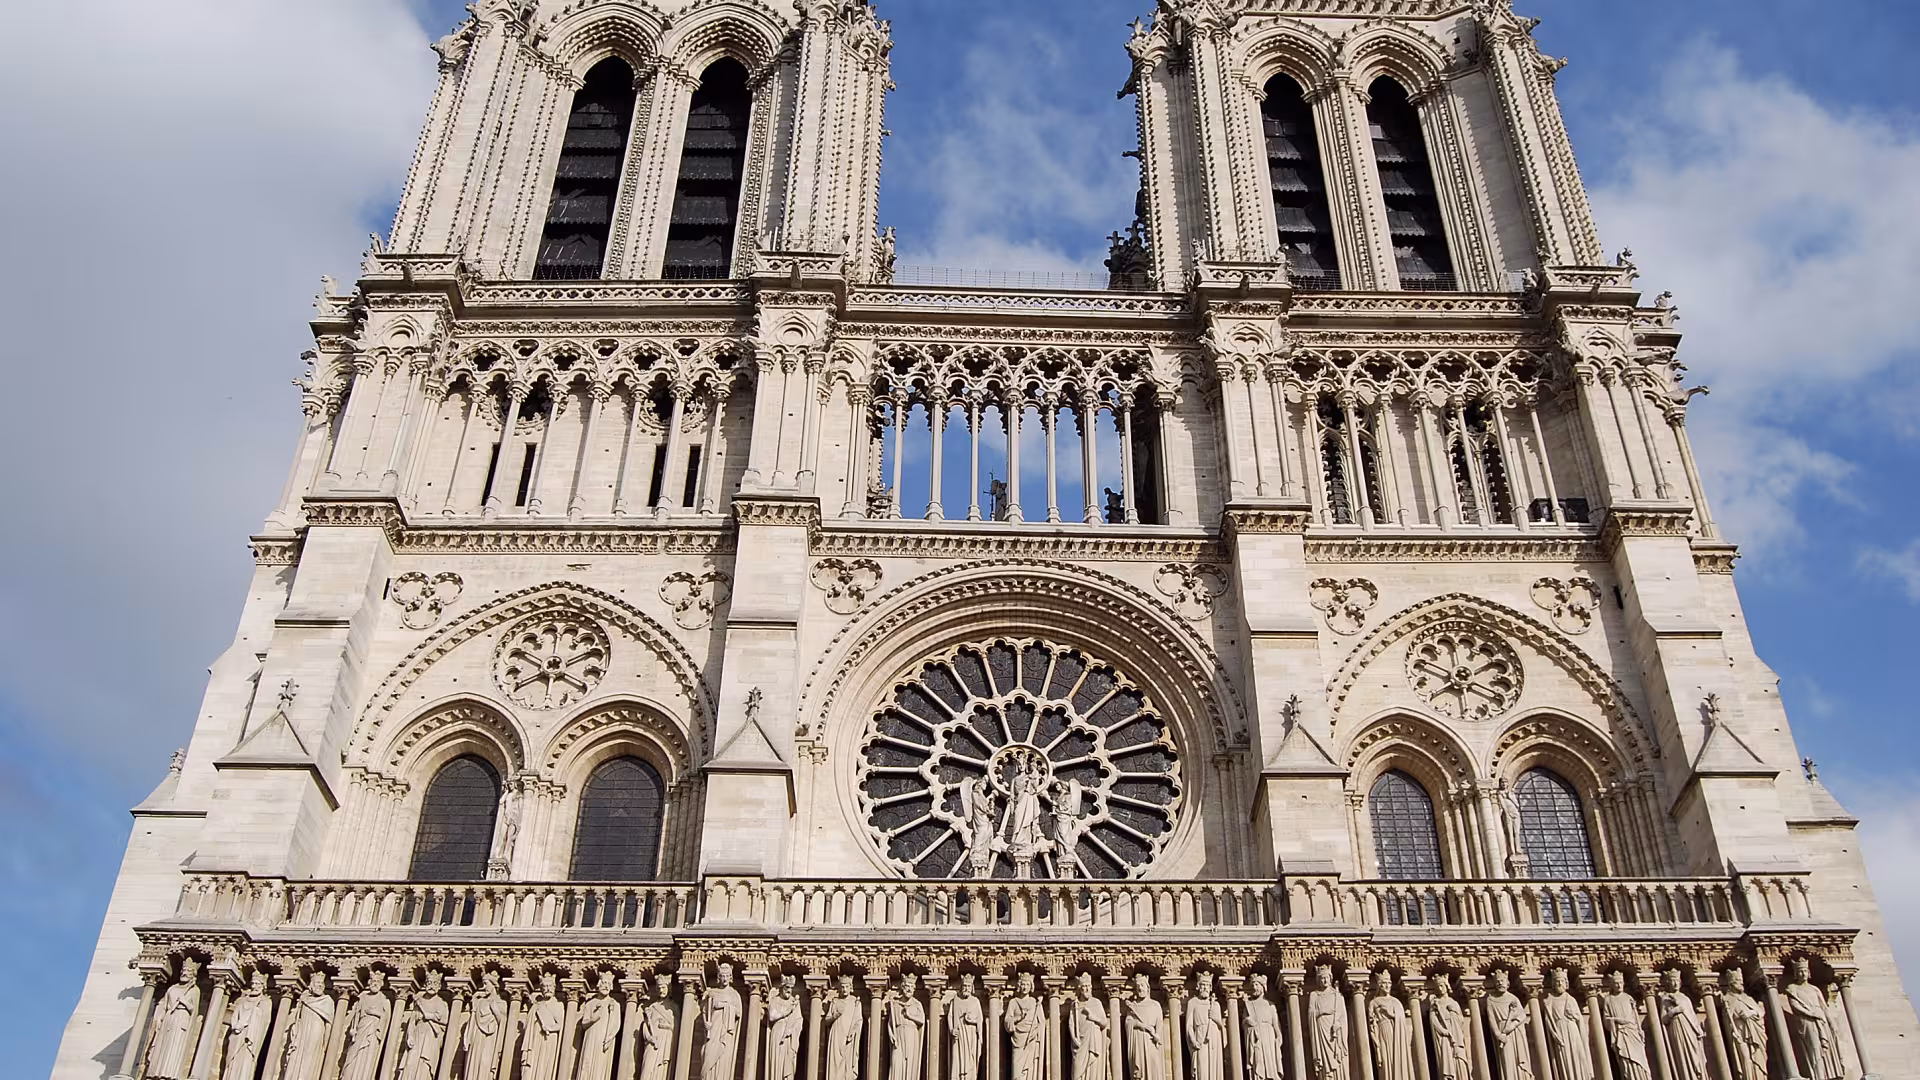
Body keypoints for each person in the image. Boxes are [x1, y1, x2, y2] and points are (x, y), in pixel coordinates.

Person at [1781, 959, 1844, 1080]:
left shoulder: (1815, 989)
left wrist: (1831, 1022)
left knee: (1825, 1048)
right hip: (1807, 1022)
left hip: (1821, 1020)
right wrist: (1812, 1014)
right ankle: (1817, 1076)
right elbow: (1795, 1006)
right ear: (1795, 974)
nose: (1803, 974)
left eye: (1805, 971)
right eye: (1800, 971)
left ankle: (1828, 1074)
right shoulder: (1792, 988)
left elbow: (1824, 1007)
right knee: (1814, 1048)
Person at [144, 958, 203, 1080]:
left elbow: (194, 1010)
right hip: (169, 1019)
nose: (184, 973)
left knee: (175, 1048)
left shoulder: (194, 990)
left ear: (193, 974)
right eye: (183, 970)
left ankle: (171, 1074)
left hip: (182, 1020)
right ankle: (156, 1072)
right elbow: (163, 1004)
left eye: (188, 971)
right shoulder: (172, 988)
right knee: (162, 1047)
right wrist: (159, 1017)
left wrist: (185, 1002)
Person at [1539, 969, 1591, 1080]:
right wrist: (1554, 1034)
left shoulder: (1571, 999)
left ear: (1566, 983)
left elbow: (1579, 1020)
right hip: (1560, 1031)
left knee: (1577, 1056)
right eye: (1557, 981)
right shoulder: (1550, 1000)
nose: (1559, 984)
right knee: (1565, 1058)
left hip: (1572, 1031)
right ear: (1553, 984)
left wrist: (1574, 1016)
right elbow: (1548, 1021)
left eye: (1562, 981)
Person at [284, 971, 337, 1080]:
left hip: (316, 1031)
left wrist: (326, 1042)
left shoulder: (327, 1001)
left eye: (321, 983)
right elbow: (296, 1018)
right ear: (310, 985)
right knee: (296, 1055)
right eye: (317, 982)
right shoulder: (304, 999)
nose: (319, 985)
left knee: (310, 1057)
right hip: (302, 1031)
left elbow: (329, 1024)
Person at [221, 971, 273, 1080]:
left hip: (251, 1036)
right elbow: (235, 1015)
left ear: (263, 986)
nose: (254, 986)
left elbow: (264, 1021)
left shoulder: (265, 1002)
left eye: (257, 984)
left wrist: (249, 1018)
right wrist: (235, 1025)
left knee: (246, 1059)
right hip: (237, 1035)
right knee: (232, 1059)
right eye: (253, 984)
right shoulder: (243, 1000)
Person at [398, 971, 450, 1080]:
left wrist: (430, 1016)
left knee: (425, 1064)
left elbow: (444, 1020)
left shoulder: (441, 1003)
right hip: (418, 1035)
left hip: (431, 1038)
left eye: (435, 984)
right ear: (426, 985)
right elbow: (412, 1021)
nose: (431, 986)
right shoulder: (419, 1001)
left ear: (439, 986)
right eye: (429, 983)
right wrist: (410, 1035)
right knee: (411, 1062)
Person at [1600, 972, 1651, 1080]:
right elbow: (1606, 1020)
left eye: (1620, 982)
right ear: (1611, 985)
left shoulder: (1628, 997)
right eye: (1616, 983)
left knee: (1640, 1059)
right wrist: (1617, 1020)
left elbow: (1635, 1016)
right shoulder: (1608, 1000)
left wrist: (1639, 1030)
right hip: (1621, 1033)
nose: (1619, 985)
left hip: (1633, 1032)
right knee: (1626, 1059)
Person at [1718, 970, 1768, 1080]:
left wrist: (1751, 1013)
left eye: (1741, 981)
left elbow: (1760, 1012)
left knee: (1758, 1057)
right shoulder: (1727, 1000)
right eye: (1738, 981)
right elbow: (1728, 1020)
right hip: (1740, 1035)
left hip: (1755, 1033)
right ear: (1731, 983)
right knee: (1745, 1058)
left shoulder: (1748, 998)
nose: (1741, 983)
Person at [1484, 971, 1533, 1080]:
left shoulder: (1513, 998)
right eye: (1497, 981)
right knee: (1506, 1059)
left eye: (1502, 981)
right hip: (1502, 1031)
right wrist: (1497, 1034)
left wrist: (1513, 1024)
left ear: (1508, 983)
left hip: (1515, 1031)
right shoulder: (1490, 999)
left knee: (1519, 1058)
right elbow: (1491, 1018)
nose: (1500, 983)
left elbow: (1522, 1015)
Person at [1656, 971, 1706, 1080]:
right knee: (1682, 1054)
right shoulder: (1665, 998)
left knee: (1695, 1055)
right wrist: (1674, 1011)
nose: (1675, 983)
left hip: (1690, 1029)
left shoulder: (1685, 998)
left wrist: (1698, 1030)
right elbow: (1664, 1019)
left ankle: (1697, 1074)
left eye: (1677, 981)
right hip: (1677, 1027)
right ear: (1668, 983)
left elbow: (1692, 1015)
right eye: (1672, 981)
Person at [1366, 971, 1414, 1080]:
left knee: (1398, 1058)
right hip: (1383, 1032)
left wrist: (1389, 1013)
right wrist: (1376, 1042)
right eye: (1384, 983)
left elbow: (1402, 1020)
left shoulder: (1396, 1002)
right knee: (1386, 1061)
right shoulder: (1373, 1003)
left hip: (1396, 1033)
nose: (1387, 986)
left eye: (1389, 983)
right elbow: (1372, 1024)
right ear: (1379, 985)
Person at [577, 972, 624, 1080]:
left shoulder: (614, 1004)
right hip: (590, 1038)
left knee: (600, 1065)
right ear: (599, 984)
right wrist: (592, 1020)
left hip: (603, 1040)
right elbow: (584, 1024)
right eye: (604, 983)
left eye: (608, 983)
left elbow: (616, 1024)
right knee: (586, 1063)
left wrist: (609, 1038)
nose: (606, 986)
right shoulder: (590, 1003)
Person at [521, 973, 567, 1080]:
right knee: (533, 1063)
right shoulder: (536, 1006)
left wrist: (549, 1028)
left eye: (550, 986)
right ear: (541, 989)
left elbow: (559, 1025)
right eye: (545, 986)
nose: (547, 989)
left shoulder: (558, 1005)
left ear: (554, 988)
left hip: (549, 1040)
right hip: (535, 1039)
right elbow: (527, 1026)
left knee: (545, 1064)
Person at [703, 964, 745, 1080]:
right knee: (707, 1054)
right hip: (713, 1031)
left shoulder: (734, 995)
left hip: (726, 1034)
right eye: (722, 976)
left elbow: (738, 1013)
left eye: (727, 976)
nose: (725, 978)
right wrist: (706, 1023)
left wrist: (724, 1005)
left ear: (730, 977)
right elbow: (705, 1011)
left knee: (723, 1060)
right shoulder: (713, 993)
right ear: (718, 977)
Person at [465, 970, 509, 1080]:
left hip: (491, 1039)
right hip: (477, 1038)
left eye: (486, 984)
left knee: (485, 1063)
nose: (484, 987)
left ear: (494, 985)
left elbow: (503, 1023)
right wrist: (474, 1006)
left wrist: (495, 1011)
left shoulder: (501, 1003)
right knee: (473, 1063)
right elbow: (472, 1022)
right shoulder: (480, 1002)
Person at [1306, 966, 1347, 1080]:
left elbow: (1342, 1015)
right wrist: (1322, 1011)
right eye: (1322, 978)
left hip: (1334, 1030)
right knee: (1324, 1062)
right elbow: (1311, 1013)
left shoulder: (1337, 996)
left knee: (1337, 1058)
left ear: (1331, 979)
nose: (1324, 980)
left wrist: (1339, 1024)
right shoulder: (1314, 995)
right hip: (1321, 1029)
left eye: (1327, 978)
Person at [1121, 974, 1165, 1080]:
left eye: (1142, 985)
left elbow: (1159, 1024)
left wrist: (1157, 1035)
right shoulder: (1133, 1007)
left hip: (1151, 1043)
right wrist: (1141, 1025)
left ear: (1147, 987)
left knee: (1154, 1067)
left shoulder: (1155, 1005)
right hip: (1138, 1042)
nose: (1140, 988)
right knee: (1139, 1070)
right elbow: (1128, 1023)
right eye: (1138, 986)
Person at [1426, 975, 1469, 1080]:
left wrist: (1454, 1011)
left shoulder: (1453, 1002)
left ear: (1446, 986)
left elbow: (1461, 1020)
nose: (1440, 989)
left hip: (1456, 1034)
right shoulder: (1435, 1003)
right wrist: (1443, 1031)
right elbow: (1433, 1020)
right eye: (1438, 987)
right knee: (1446, 1058)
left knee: (1459, 1056)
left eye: (1442, 986)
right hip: (1444, 1036)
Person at [1067, 973, 1109, 1080]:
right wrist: (1074, 1038)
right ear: (1080, 989)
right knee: (1077, 1073)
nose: (1087, 989)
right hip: (1079, 1042)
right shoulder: (1074, 1005)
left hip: (1093, 1041)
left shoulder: (1096, 1003)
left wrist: (1093, 1017)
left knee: (1093, 1068)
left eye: (1088, 986)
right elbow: (1071, 1023)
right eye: (1084, 986)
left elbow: (1104, 1022)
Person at [1184, 973, 1225, 1080]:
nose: (1205, 988)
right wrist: (1193, 1041)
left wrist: (1216, 1019)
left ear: (1211, 987)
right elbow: (1189, 1025)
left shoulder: (1215, 1005)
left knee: (1214, 1069)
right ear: (1198, 986)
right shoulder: (1192, 1002)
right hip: (1200, 1038)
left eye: (1207, 985)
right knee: (1202, 1071)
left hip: (1214, 1039)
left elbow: (1221, 1027)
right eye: (1202, 985)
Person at [1243, 975, 1283, 1080]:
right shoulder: (1249, 1005)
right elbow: (1244, 1024)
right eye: (1253, 985)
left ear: (1262, 987)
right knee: (1258, 1060)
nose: (1254, 988)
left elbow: (1276, 1024)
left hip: (1268, 1037)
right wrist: (1248, 1022)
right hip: (1256, 1037)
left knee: (1271, 1062)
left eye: (1257, 985)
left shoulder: (1270, 1005)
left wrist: (1279, 1037)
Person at [1006, 973, 1046, 1080]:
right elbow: (1007, 1022)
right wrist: (1018, 1018)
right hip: (1018, 1039)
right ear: (1019, 985)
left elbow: (1041, 1022)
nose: (1025, 987)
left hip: (1031, 1039)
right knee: (1017, 1072)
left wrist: (1036, 1032)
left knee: (1030, 1069)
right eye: (1023, 984)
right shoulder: (1013, 1002)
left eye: (1027, 985)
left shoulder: (1035, 1003)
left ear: (1031, 986)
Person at [887, 974, 927, 1080]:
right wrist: (891, 1035)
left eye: (911, 987)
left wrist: (909, 1015)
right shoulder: (895, 1004)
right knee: (896, 1062)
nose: (909, 989)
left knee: (910, 1063)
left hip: (911, 1035)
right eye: (907, 986)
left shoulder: (917, 1004)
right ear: (903, 987)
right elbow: (890, 1023)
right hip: (899, 1035)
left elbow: (922, 1020)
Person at [827, 975, 864, 1080]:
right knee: (835, 1063)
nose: (844, 989)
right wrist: (835, 1016)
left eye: (847, 987)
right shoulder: (835, 1001)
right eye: (842, 987)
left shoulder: (856, 1002)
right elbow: (826, 1020)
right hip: (836, 1035)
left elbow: (858, 1020)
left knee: (847, 1065)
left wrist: (853, 1032)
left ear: (851, 987)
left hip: (849, 1036)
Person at [948, 974, 985, 1080]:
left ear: (972, 987)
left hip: (971, 1035)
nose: (966, 988)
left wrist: (971, 1020)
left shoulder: (975, 1001)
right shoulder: (955, 1000)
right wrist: (951, 1029)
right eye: (964, 986)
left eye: (968, 986)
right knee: (958, 1059)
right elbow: (950, 1016)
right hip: (959, 1035)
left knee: (971, 1060)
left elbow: (980, 1019)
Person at [767, 975, 804, 1080]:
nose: (789, 991)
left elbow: (799, 1020)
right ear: (782, 988)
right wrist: (786, 1012)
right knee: (776, 1061)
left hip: (789, 1037)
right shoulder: (775, 1000)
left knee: (788, 1062)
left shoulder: (795, 1002)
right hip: (777, 1034)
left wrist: (791, 1030)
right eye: (786, 988)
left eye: (791, 988)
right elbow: (772, 1016)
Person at [641, 975, 678, 1080]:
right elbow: (645, 1025)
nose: (661, 990)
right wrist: (649, 1037)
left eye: (664, 987)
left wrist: (666, 1026)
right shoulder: (652, 1007)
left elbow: (677, 1027)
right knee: (647, 1069)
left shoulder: (673, 1007)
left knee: (662, 1068)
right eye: (659, 988)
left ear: (669, 989)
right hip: (652, 1042)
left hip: (665, 1042)